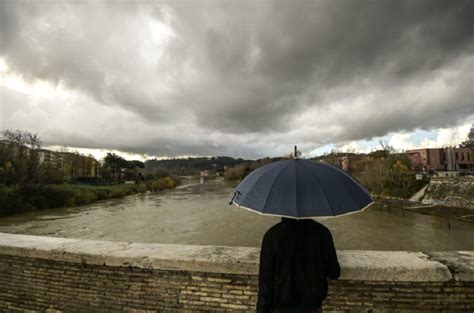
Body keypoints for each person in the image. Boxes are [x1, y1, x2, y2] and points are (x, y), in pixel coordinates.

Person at [257, 217, 340, 313]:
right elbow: (334, 273)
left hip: (281, 309)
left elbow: (266, 282)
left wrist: (261, 310)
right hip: (312, 308)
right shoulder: (323, 233)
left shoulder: (272, 236)